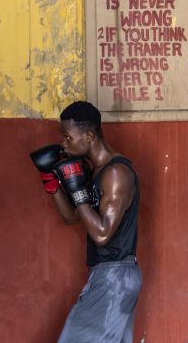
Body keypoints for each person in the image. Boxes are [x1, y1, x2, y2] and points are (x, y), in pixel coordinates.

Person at [31, 101, 141, 343]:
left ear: (89, 135)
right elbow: (72, 217)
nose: (64, 143)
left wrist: (78, 191)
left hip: (114, 275)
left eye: (67, 137)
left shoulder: (116, 174)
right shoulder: (96, 172)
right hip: (109, 274)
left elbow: (102, 234)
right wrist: (52, 182)